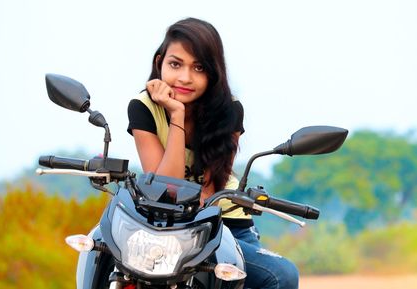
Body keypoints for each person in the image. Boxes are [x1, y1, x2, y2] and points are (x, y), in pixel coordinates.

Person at [127, 17, 299, 289]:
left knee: (281, 275)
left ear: (213, 73)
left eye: (198, 68)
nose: (185, 77)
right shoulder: (143, 107)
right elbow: (166, 189)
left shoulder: (229, 110)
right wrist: (177, 116)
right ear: (159, 62)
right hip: (160, 223)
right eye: (175, 64)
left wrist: (177, 114)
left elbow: (210, 192)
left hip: (224, 222)